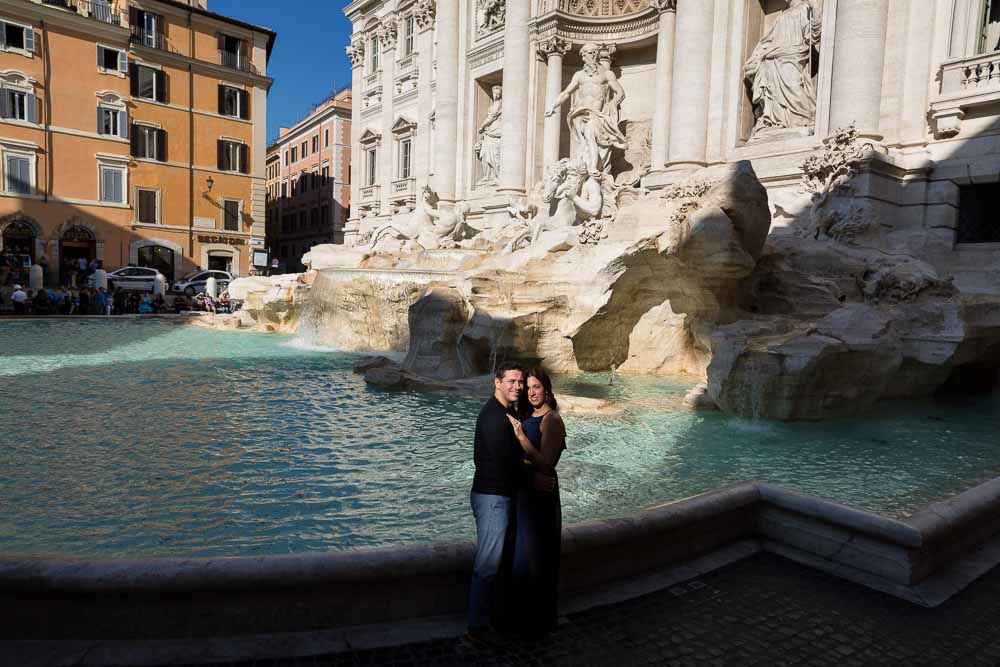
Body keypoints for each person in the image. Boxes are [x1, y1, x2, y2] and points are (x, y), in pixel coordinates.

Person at [467, 362, 525, 646]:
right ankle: (477, 628)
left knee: (495, 562)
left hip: (495, 495)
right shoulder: (494, 417)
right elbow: (502, 461)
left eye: (520, 382)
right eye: (512, 381)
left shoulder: (505, 413)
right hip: (492, 498)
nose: (517, 386)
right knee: (487, 565)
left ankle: (493, 618)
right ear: (497, 382)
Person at [508, 369, 566, 638]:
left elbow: (546, 464)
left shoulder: (552, 420)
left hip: (541, 499)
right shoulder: (525, 416)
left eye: (537, 387)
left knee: (538, 558)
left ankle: (540, 623)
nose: (531, 392)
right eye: (528, 387)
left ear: (547, 390)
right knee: (521, 557)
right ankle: (522, 618)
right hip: (525, 494)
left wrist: (521, 440)